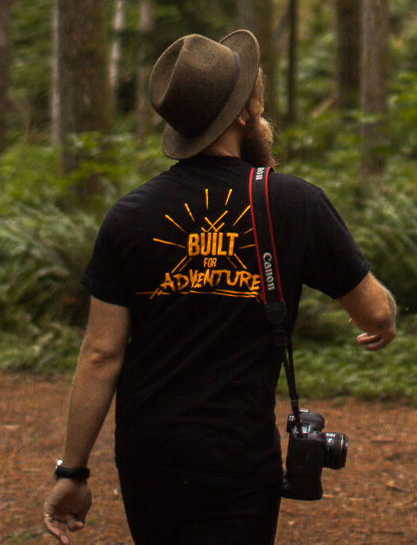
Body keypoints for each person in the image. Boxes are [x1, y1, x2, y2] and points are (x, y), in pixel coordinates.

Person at [42, 30, 398, 545]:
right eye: (253, 98)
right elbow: (375, 313)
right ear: (240, 116)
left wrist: (71, 473)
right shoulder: (293, 203)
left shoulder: (130, 216)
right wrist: (384, 319)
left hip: (149, 456)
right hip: (237, 455)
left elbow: (100, 354)